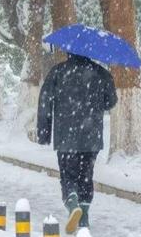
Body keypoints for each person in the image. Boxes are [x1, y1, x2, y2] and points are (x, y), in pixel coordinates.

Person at [37, 53, 117, 234]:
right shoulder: (101, 73)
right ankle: (84, 219)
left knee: (68, 177)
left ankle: (73, 206)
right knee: (86, 177)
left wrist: (44, 133)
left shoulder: (58, 72)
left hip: (66, 138)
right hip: (91, 138)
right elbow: (111, 101)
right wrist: (94, 104)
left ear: (69, 52)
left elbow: (45, 102)